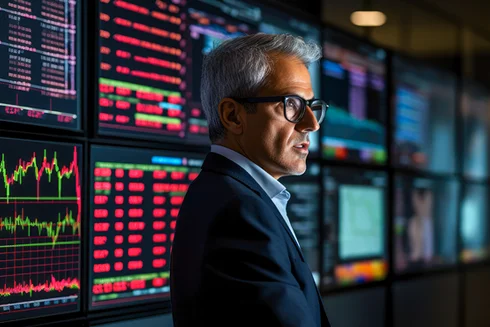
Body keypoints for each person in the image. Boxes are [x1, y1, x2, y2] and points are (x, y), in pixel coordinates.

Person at [170, 33, 331, 327]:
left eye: (312, 105)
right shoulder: (240, 210)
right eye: (292, 104)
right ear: (233, 116)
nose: (312, 124)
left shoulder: (223, 193)